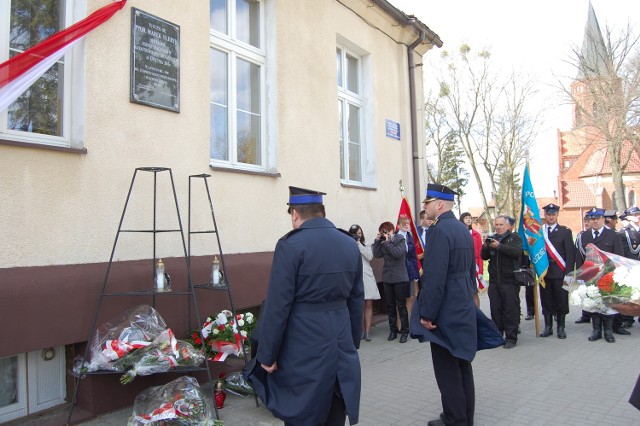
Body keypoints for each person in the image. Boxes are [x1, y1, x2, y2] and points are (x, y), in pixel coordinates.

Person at [250, 186, 364, 425]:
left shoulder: (291, 245)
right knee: (335, 413)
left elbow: (278, 305)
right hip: (340, 344)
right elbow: (356, 298)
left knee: (302, 413)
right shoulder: (348, 243)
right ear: (322, 212)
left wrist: (267, 354)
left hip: (303, 347)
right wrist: (352, 342)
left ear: (294, 214)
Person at [410, 183, 478, 426]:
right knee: (462, 363)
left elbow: (435, 276)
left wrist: (427, 313)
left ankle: (454, 418)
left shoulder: (439, 231)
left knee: (447, 367)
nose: (425, 207)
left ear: (438, 205)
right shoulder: (462, 229)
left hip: (446, 307)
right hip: (462, 302)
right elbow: (471, 271)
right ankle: (464, 417)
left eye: (427, 203)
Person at [575, 207, 625, 343]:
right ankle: (596, 330)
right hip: (591, 276)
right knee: (594, 303)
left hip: (607, 275)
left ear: (603, 219)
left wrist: (618, 274)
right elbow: (580, 257)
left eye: (597, 218)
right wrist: (580, 275)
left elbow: (619, 256)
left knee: (608, 304)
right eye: (592, 219)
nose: (595, 221)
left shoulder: (613, 235)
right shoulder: (584, 236)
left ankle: (608, 331)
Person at [481, 214, 522, 349]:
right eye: (496, 225)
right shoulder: (492, 238)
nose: (498, 227)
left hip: (509, 280)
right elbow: (484, 257)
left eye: (501, 225)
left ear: (507, 226)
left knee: (510, 309)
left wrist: (499, 246)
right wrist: (486, 246)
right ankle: (498, 335)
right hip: (494, 281)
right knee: (496, 309)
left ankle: (511, 337)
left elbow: (516, 253)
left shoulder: (514, 237)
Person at [539, 203, 575, 339]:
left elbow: (570, 254)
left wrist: (569, 273)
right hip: (545, 272)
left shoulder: (565, 232)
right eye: (549, 214)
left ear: (557, 215)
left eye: (553, 214)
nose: (551, 217)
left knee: (561, 300)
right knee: (546, 300)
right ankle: (548, 327)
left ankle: (561, 327)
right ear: (545, 215)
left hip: (560, 272)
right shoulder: (540, 232)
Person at [373, 221, 410, 343]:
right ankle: (392, 330)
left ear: (392, 230)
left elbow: (398, 254)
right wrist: (377, 241)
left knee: (401, 305)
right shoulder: (383, 242)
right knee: (390, 305)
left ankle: (404, 331)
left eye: (386, 231)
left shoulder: (400, 239)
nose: (384, 234)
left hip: (400, 277)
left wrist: (387, 242)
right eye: (382, 232)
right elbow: (377, 254)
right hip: (388, 278)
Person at [349, 224, 381, 341]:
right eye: (355, 234)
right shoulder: (348, 245)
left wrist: (359, 245)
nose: (358, 235)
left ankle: (367, 331)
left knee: (368, 303)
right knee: (359, 305)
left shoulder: (366, 245)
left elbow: (369, 257)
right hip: (356, 277)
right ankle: (361, 330)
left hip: (367, 276)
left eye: (359, 233)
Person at [618, 206, 640, 328]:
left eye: (638, 214)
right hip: (632, 268)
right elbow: (625, 251)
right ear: (629, 217)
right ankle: (628, 318)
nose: (638, 216)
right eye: (635, 214)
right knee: (631, 294)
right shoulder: (624, 232)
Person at [397, 215, 420, 317]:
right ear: (398, 225)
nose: (406, 225)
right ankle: (399, 325)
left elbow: (414, 256)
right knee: (399, 299)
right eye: (404, 223)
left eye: (408, 223)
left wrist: (415, 272)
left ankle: (408, 321)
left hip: (409, 270)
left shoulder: (410, 236)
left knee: (410, 297)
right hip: (399, 271)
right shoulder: (395, 236)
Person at [574, 211, 593, 324]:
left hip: (598, 269)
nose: (586, 223)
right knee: (584, 293)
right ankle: (585, 314)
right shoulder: (581, 236)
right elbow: (578, 254)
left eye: (588, 221)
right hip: (585, 268)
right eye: (584, 221)